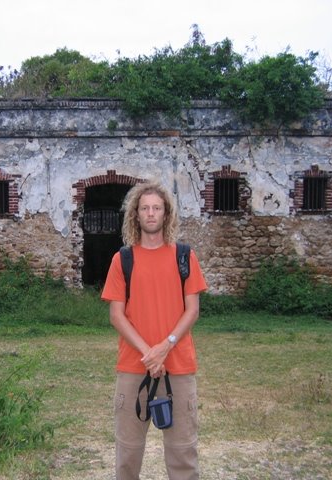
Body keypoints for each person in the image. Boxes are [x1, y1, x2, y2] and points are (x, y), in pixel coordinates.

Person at [101, 181, 208, 480]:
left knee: (183, 454)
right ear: (135, 214)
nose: (151, 213)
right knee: (128, 454)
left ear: (167, 214)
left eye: (157, 208)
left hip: (179, 368)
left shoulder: (184, 257)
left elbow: (193, 310)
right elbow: (116, 316)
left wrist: (165, 346)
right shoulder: (123, 260)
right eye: (145, 208)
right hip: (135, 368)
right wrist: (149, 352)